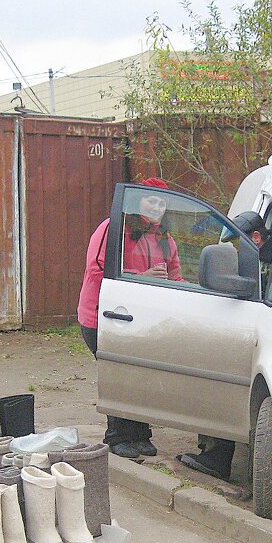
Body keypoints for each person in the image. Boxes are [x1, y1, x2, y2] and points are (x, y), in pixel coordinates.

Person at [77, 177, 181, 458]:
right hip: (104, 316)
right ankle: (118, 435)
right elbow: (98, 268)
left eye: (162, 202)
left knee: (140, 375)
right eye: (152, 200)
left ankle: (139, 433)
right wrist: (142, 278)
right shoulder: (113, 227)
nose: (157, 206)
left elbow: (175, 274)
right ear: (138, 201)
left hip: (141, 319)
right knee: (119, 375)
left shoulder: (165, 239)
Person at [176, 211, 272, 481]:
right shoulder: (264, 258)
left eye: (236, 244)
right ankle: (214, 454)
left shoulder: (269, 261)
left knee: (218, 383)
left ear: (255, 238)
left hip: (258, 336)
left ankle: (217, 458)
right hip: (249, 333)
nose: (233, 251)